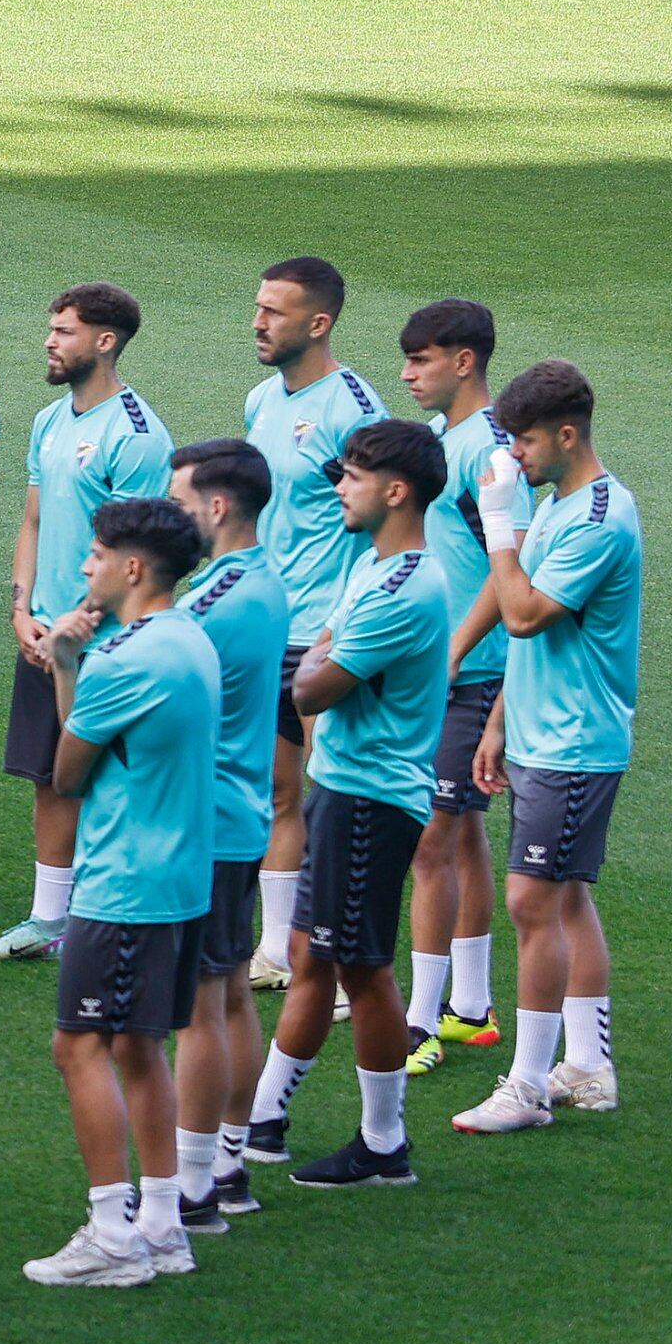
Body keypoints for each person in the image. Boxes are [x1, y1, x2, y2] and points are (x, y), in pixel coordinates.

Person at [243, 419, 452, 1189]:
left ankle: (383, 1142)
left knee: (361, 970)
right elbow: (321, 651)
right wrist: (325, 656)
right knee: (315, 959)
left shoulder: (405, 586)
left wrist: (322, 662)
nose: (338, 487)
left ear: (396, 491)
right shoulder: (372, 567)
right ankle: (261, 1119)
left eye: (353, 476)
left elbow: (310, 683)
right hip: (344, 788)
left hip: (370, 799)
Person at [28, 497, 219, 1287]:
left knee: (79, 1044)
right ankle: (164, 1225)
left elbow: (68, 773)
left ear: (133, 568)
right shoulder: (190, 640)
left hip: (122, 884)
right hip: (178, 880)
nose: (83, 566)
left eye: (97, 554)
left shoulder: (127, 657)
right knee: (141, 1045)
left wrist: (70, 664)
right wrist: (77, 665)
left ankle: (112, 1234)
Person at [452, 361, 639, 1133]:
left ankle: (528, 1086)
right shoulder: (563, 502)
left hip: (574, 744)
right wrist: (498, 722)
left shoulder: (599, 516)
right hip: (539, 732)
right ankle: (589, 1069)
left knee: (533, 901)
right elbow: (538, 640)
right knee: (565, 897)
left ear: (567, 435)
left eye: (525, 442)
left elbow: (524, 613)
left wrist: (499, 525)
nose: (515, 458)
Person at [0, 283, 170, 963]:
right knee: (50, 772)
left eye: (64, 331)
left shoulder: (137, 437)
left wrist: (77, 624)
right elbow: (31, 520)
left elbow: (134, 555)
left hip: (107, 640)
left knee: (114, 775)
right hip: (49, 634)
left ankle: (119, 913)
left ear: (105, 341)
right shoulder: (49, 420)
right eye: (51, 328)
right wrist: (24, 610)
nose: (50, 341)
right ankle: (48, 918)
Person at [237, 256, 392, 989]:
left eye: (275, 311)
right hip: (270, 628)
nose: (258, 321)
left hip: (328, 634)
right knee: (276, 789)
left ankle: (339, 958)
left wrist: (348, 623)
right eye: (259, 307)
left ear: (318, 322)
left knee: (335, 801)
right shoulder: (262, 400)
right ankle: (277, 947)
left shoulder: (352, 409)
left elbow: (382, 523)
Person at [160, 439, 290, 1226]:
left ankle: (195, 1186)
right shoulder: (256, 579)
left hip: (204, 822)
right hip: (237, 817)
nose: (169, 519)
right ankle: (229, 1163)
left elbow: (147, 664)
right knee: (232, 989)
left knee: (201, 1005)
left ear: (215, 508)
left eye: (177, 505)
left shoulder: (221, 600)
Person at [394, 298, 509, 1073]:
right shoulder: (442, 440)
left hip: (476, 672)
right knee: (459, 831)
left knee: (430, 838)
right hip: (452, 667)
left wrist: (452, 652)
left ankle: (419, 1017)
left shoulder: (492, 451)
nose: (406, 375)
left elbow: (513, 572)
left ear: (463, 361)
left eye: (421, 361)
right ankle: (472, 1006)